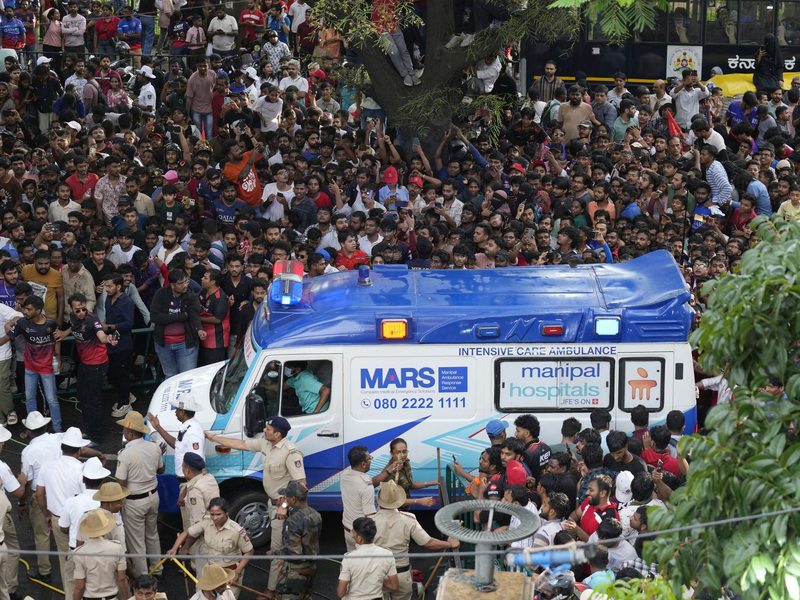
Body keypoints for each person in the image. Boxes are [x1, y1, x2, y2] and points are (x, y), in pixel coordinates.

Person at [204, 416, 304, 597]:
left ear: (278, 434)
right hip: (271, 503)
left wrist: (283, 504)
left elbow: (301, 484)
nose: (264, 430)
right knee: (277, 545)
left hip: (283, 509)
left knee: (277, 552)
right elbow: (241, 444)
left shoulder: (291, 453)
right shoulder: (266, 443)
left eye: (268, 429)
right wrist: (214, 439)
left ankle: (271, 590)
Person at [373, 481, 459, 600]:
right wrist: (450, 544)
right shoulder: (409, 520)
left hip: (377, 574)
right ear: (399, 500)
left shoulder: (369, 521)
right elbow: (428, 543)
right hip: (401, 574)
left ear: (379, 500)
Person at [35, 427, 92, 598]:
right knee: (84, 561)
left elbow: (39, 494)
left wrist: (46, 514)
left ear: (62, 447)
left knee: (65, 562)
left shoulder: (47, 466)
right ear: (79, 450)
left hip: (58, 519)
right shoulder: (82, 469)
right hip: (81, 522)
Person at [55, 293, 116, 445]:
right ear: (71, 309)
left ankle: (97, 438)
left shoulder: (92, 319)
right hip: (85, 363)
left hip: (97, 364)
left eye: (83, 309)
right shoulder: (73, 317)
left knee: (93, 401)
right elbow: (74, 327)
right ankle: (89, 430)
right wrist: (64, 333)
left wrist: (107, 339)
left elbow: (101, 335)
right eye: (78, 310)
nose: (81, 313)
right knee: (82, 396)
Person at [167, 497, 254, 597]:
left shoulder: (236, 530)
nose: (215, 518)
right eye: (212, 514)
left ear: (226, 513)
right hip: (211, 571)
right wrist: (174, 548)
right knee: (203, 597)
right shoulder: (207, 522)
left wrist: (237, 572)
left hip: (229, 574)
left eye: (218, 514)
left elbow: (249, 552)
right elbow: (187, 533)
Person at [115, 411, 164, 578]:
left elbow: (121, 482)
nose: (123, 432)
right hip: (153, 497)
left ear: (130, 433)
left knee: (136, 542)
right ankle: (157, 570)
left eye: (124, 430)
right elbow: (161, 469)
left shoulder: (125, 454)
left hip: (134, 502)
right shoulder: (154, 447)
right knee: (152, 534)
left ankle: (143, 577)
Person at [2, 295, 62, 431]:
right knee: (29, 398)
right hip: (30, 368)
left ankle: (57, 429)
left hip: (47, 368)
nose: (25, 312)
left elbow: (57, 340)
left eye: (29, 309)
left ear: (38, 311)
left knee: (52, 400)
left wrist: (57, 357)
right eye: (25, 308)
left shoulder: (51, 324)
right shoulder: (22, 323)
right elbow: (7, 337)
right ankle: (32, 429)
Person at [147, 394, 205, 527]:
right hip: (186, 484)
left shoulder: (192, 433)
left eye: (177, 409)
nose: (175, 412)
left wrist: (185, 492)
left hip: (189, 485)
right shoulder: (187, 427)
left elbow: (197, 466)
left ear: (183, 411)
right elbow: (177, 445)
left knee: (192, 526)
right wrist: (158, 428)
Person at [341, 445, 403, 552]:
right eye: (369, 458)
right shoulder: (366, 486)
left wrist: (389, 470)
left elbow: (368, 484)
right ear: (363, 464)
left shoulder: (346, 474)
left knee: (352, 563)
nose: (371, 460)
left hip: (348, 530)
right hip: (361, 536)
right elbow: (369, 517)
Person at [150, 269, 204, 378]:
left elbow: (194, 315)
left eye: (186, 281)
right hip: (163, 343)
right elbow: (155, 316)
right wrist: (182, 316)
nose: (185, 285)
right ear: (172, 285)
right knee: (170, 376)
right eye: (181, 283)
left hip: (186, 343)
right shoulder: (161, 293)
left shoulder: (191, 295)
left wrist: (199, 329)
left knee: (187, 377)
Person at [275, 480, 322, 600]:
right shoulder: (316, 514)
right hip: (311, 567)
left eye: (286, 497)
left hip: (295, 572)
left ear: (293, 499)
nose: (285, 499)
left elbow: (294, 554)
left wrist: (277, 554)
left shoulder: (292, 522)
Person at [72, 509, 129, 600]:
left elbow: (80, 586)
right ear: (105, 529)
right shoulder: (117, 548)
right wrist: (127, 598)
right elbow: (122, 579)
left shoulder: (79, 553)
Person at [337, 517, 400, 599]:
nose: (353, 536)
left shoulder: (349, 558)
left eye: (354, 534)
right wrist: (379, 576)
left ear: (359, 539)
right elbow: (394, 586)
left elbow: (340, 593)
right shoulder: (387, 554)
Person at [387, 437, 439, 509]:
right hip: (392, 512)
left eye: (404, 452)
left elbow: (409, 484)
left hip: (404, 510)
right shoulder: (389, 473)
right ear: (391, 454)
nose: (402, 455)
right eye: (398, 452)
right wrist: (418, 501)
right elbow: (394, 501)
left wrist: (432, 483)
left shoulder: (406, 464)